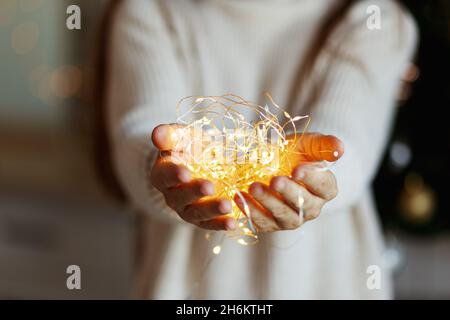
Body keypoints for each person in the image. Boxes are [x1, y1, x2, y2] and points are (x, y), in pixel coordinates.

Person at [103, 0, 417, 299]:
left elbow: (351, 139)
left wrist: (315, 174)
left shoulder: (374, 16)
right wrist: (164, 166)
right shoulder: (151, 9)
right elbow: (140, 132)